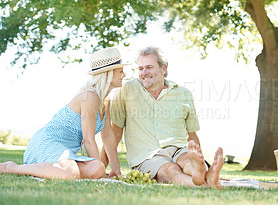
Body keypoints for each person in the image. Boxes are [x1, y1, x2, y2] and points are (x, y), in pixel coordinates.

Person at [101, 46, 224, 188]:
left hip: (179, 148)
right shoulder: (126, 91)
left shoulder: (183, 94)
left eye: (149, 67)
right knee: (171, 170)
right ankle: (203, 180)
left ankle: (201, 171)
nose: (144, 73)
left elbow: (192, 136)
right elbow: (115, 133)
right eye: (140, 69)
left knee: (187, 161)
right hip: (148, 156)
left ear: (163, 69)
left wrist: (197, 154)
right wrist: (100, 167)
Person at [0, 47, 129, 180]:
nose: (124, 75)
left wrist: (116, 170)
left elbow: (107, 136)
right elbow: (88, 139)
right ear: (107, 74)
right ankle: (10, 167)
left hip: (65, 153)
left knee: (92, 169)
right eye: (120, 71)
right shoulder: (89, 96)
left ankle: (51, 170)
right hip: (48, 142)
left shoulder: (105, 101)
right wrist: (101, 171)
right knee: (82, 170)